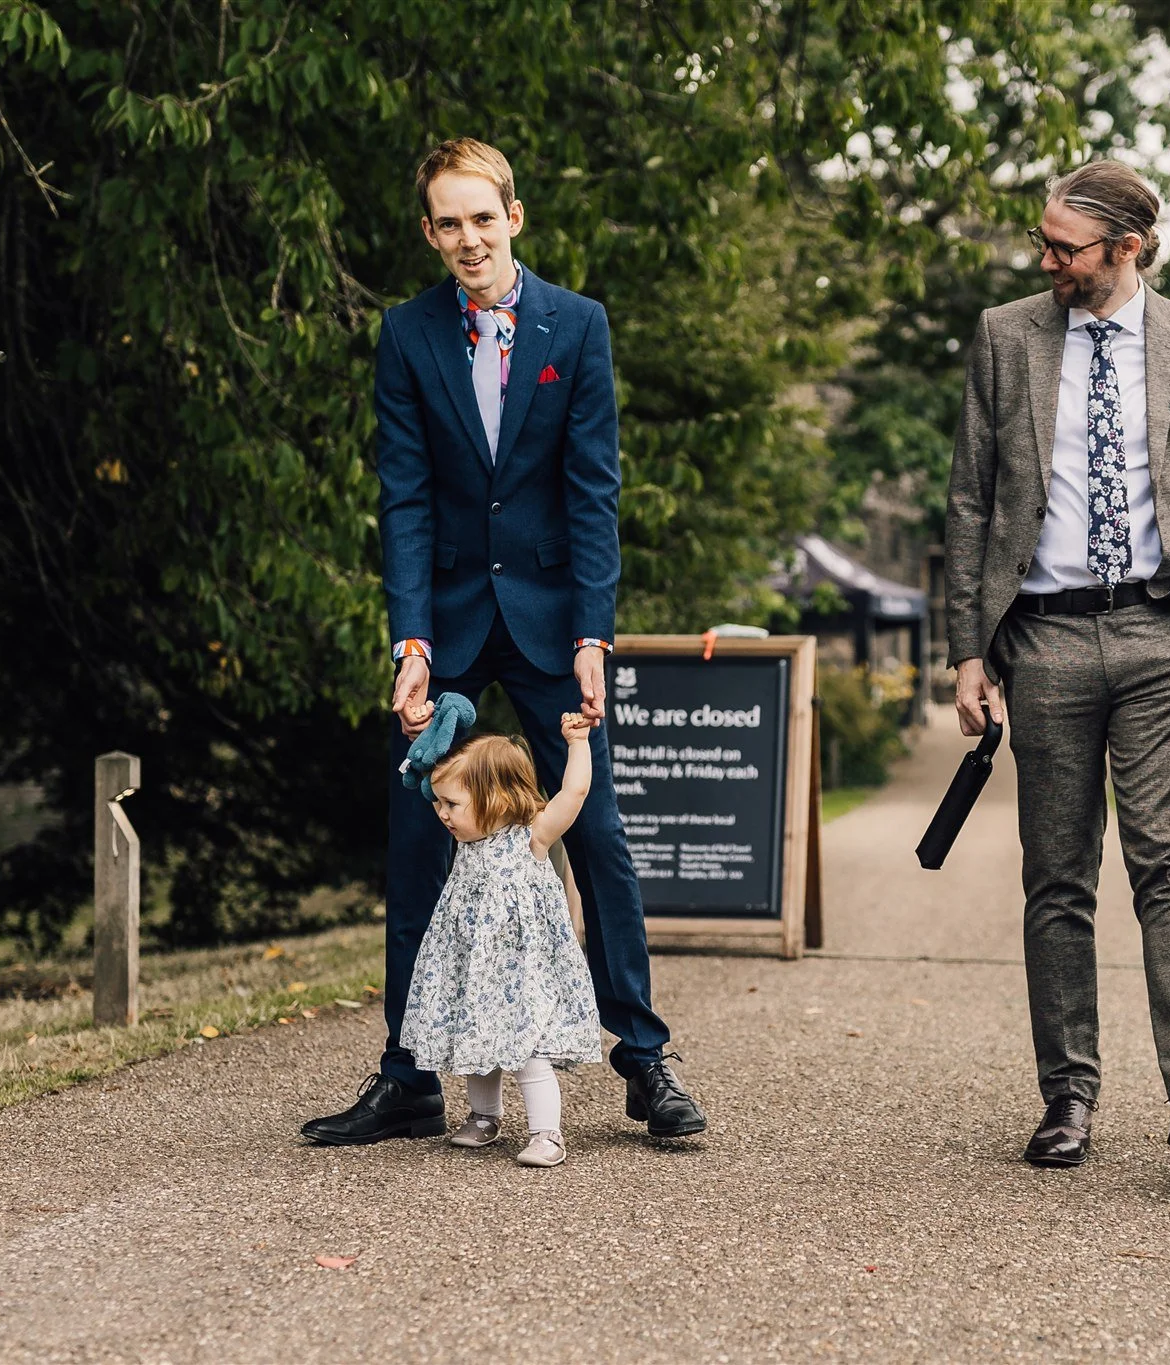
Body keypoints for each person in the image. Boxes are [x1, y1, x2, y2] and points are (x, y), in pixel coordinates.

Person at [302, 137, 705, 1148]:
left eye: (483, 217)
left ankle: (642, 1060)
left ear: (513, 218)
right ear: (429, 232)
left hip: (546, 622)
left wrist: (590, 637)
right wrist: (411, 641)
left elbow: (591, 494)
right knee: (414, 843)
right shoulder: (407, 335)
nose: (468, 238)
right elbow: (405, 498)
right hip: (445, 624)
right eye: (448, 222)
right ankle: (405, 1076)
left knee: (598, 840)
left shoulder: (579, 325)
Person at [944, 159, 1170, 1169]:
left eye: (1063, 248)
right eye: (1042, 243)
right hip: (1041, 638)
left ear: (1124, 249)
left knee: (1166, 861)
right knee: (1057, 875)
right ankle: (1068, 1099)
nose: (1045, 261)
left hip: (1159, 636)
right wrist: (966, 648)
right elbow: (967, 499)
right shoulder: (1006, 337)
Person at [401, 722, 609, 1168]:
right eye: (439, 801)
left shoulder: (530, 838)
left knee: (526, 1048)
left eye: (452, 803)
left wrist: (578, 744)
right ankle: (484, 1116)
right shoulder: (467, 841)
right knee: (478, 1041)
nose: (441, 812)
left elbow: (573, 795)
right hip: (473, 966)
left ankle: (547, 1133)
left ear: (495, 797)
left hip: (522, 971)